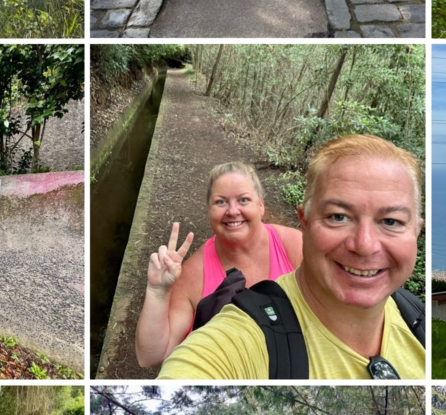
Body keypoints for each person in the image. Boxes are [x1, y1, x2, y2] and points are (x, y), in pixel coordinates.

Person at [158, 135, 425, 379]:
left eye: (391, 221)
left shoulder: (417, 320)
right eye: (338, 217)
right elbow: (170, 358)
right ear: (305, 222)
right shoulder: (236, 336)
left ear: (417, 230)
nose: (365, 246)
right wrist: (157, 291)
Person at [136, 162, 303, 367]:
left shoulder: (295, 246)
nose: (233, 211)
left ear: (260, 205)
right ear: (208, 210)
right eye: (221, 202)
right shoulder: (193, 274)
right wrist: (157, 291)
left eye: (244, 200)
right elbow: (151, 356)